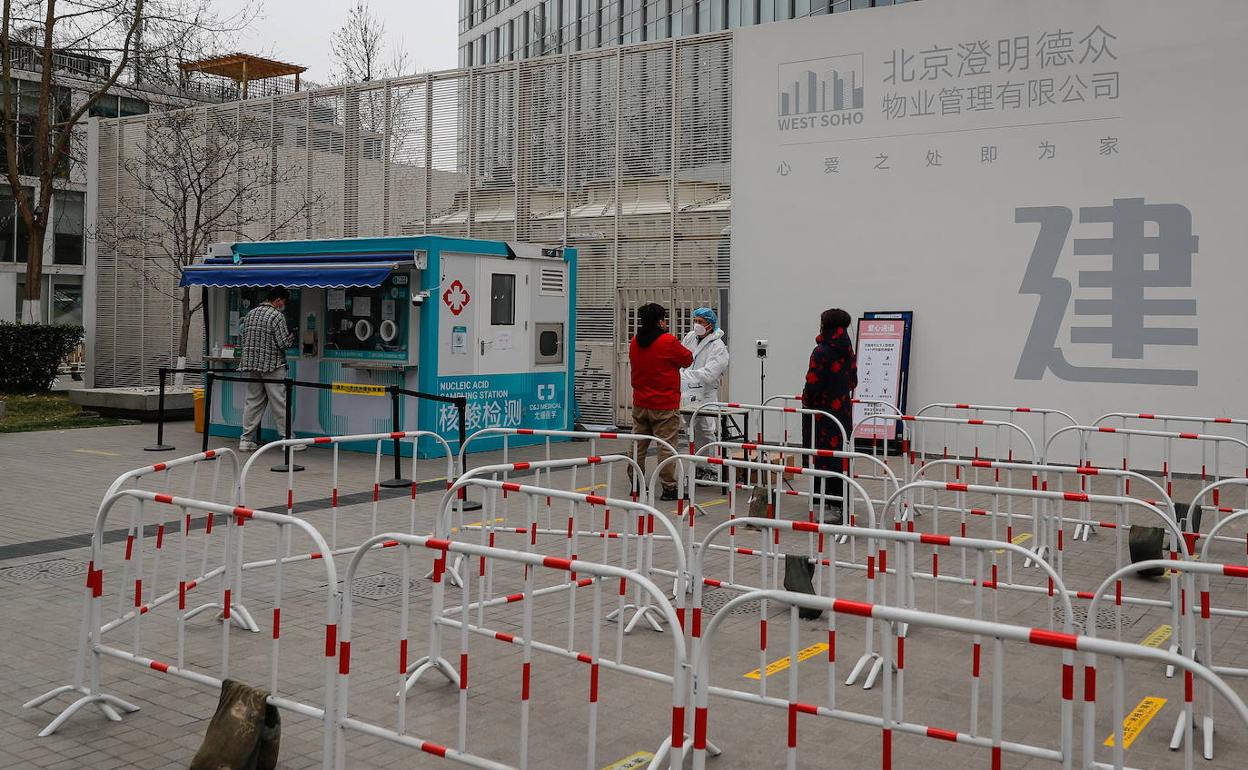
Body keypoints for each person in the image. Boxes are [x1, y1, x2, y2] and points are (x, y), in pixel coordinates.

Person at [629, 303, 693, 501]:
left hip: (640, 403)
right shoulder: (668, 341)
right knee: (666, 446)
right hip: (664, 404)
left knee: (637, 445)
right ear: (660, 321)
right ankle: (669, 487)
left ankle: (636, 483)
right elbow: (687, 359)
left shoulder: (634, 341)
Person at [800, 308, 857, 521]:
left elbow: (813, 382)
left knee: (820, 456)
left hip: (821, 413)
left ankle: (824, 504)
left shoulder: (821, 351)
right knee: (839, 457)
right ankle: (841, 504)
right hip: (842, 410)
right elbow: (853, 381)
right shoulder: (847, 349)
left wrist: (807, 400)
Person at [238, 287, 298, 453]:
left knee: (253, 402)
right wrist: (291, 336)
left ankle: (246, 440)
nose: (283, 306)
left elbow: (244, 337)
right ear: (278, 300)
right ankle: (288, 440)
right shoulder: (277, 316)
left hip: (252, 365)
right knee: (280, 403)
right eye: (283, 302)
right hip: (272, 365)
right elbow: (283, 343)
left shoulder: (251, 314)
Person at [680, 307, 729, 477]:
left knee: (707, 430)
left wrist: (686, 375)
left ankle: (712, 468)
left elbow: (710, 373)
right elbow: (680, 358)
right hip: (687, 392)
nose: (697, 325)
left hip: (706, 394)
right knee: (691, 429)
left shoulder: (718, 346)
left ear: (710, 324)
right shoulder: (690, 337)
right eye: (695, 320)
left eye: (701, 322)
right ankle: (698, 466)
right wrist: (684, 375)